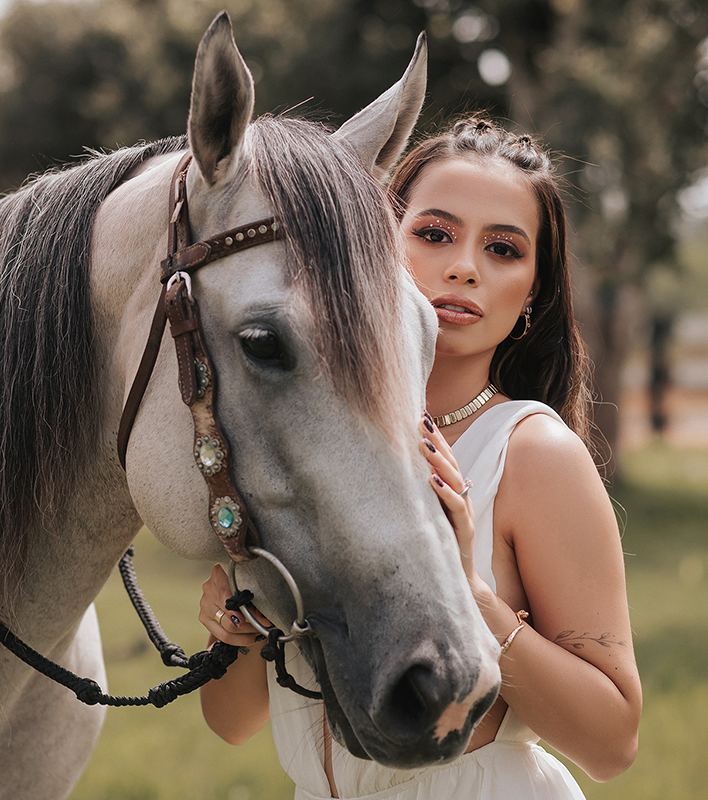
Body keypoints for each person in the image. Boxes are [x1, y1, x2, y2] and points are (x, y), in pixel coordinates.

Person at [198, 117, 641, 799]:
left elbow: (612, 743)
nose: (464, 265)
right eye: (434, 234)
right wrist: (239, 634)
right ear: (371, 245)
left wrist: (468, 592)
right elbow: (232, 725)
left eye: (503, 249)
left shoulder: (533, 454)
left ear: (533, 295)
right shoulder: (308, 446)